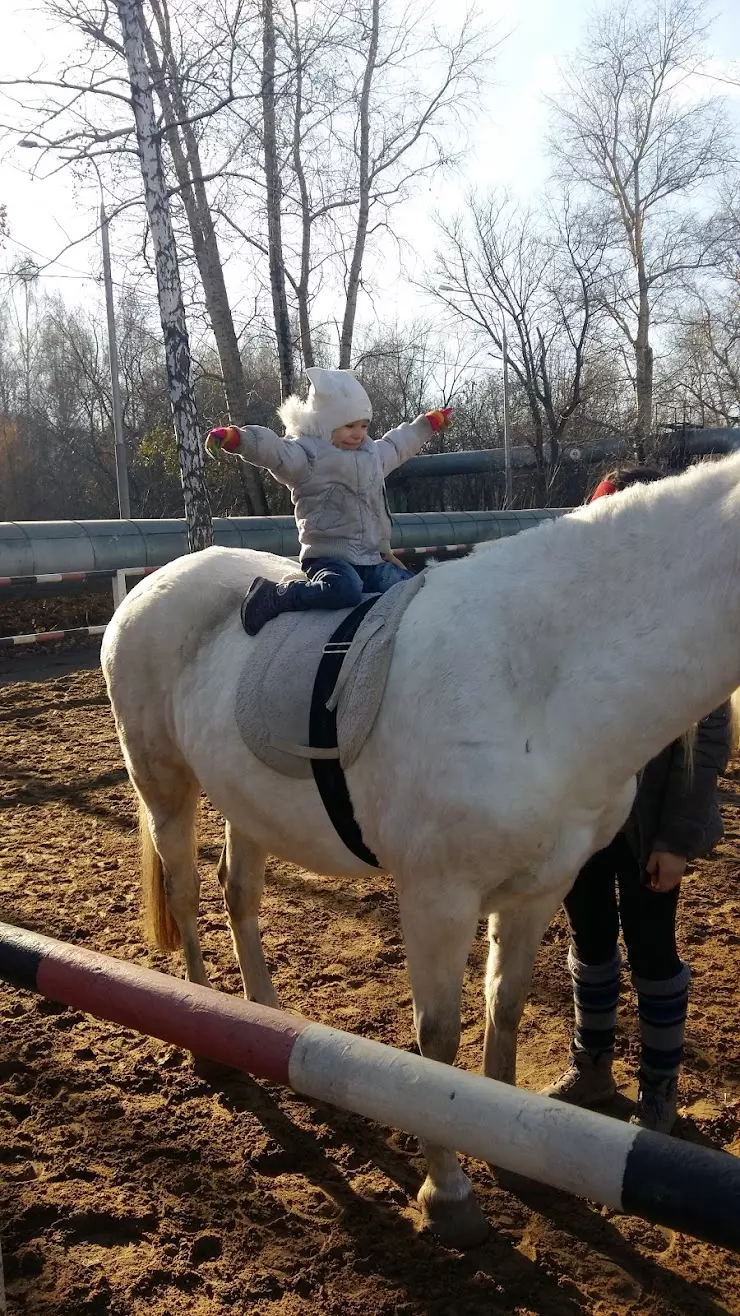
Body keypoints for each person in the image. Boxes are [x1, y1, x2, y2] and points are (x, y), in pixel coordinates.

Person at [542, 466, 732, 1133]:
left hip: (650, 826)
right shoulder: (572, 617)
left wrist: (677, 840)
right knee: (590, 938)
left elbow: (708, 739)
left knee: (653, 950)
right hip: (583, 820)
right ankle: (593, 1066)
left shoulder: (686, 620)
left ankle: (658, 1093)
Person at [205, 367, 452, 634]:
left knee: (410, 587)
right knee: (344, 591)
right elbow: (275, 452)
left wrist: (427, 424)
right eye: (349, 426)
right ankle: (275, 595)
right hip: (328, 558)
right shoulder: (308, 456)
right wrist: (239, 439)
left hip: (370, 559)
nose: (358, 434)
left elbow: (398, 444)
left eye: (364, 425)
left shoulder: (372, 455)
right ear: (326, 424)